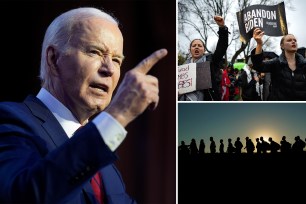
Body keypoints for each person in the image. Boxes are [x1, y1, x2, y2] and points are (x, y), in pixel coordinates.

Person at [0, 7, 168, 204]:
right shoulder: (9, 119)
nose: (109, 69)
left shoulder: (105, 166)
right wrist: (118, 114)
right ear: (54, 59)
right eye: (95, 52)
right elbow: (25, 195)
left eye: (116, 60)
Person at [178, 15, 229, 101]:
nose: (197, 47)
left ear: (204, 49)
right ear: (190, 50)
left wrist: (222, 28)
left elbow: (222, 47)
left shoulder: (211, 61)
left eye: (199, 46)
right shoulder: (182, 68)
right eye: (194, 46)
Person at [251, 28, 306, 100]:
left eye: (295, 40)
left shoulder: (304, 65)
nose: (293, 42)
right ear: (282, 46)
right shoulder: (276, 62)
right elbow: (258, 66)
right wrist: (259, 43)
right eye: (289, 40)